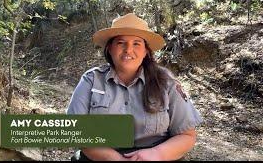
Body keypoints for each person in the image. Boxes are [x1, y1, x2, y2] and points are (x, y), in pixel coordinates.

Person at [66, 13, 203, 161]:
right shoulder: (91, 80)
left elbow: (187, 135)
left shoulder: (166, 81)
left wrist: (157, 154)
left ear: (145, 51)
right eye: (120, 43)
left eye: (136, 43)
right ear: (110, 48)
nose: (128, 50)